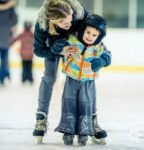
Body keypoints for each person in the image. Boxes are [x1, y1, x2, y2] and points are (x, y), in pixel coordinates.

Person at [33, 0, 109, 144]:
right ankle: (41, 118)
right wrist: (57, 50)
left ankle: (92, 120)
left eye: (70, 20)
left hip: (75, 47)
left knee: (87, 80)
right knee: (49, 77)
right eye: (64, 23)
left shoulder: (79, 13)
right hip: (53, 49)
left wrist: (101, 57)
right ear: (53, 21)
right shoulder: (42, 25)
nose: (69, 24)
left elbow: (94, 32)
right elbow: (38, 50)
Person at [55, 14, 111, 146]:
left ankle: (84, 131)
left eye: (94, 35)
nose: (90, 37)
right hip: (71, 79)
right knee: (69, 104)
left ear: (99, 37)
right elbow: (61, 48)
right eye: (88, 32)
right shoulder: (73, 40)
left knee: (85, 105)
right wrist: (61, 47)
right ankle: (67, 131)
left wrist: (101, 61)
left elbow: (107, 55)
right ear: (82, 30)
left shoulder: (98, 47)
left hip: (88, 82)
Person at [0, 0, 17, 85]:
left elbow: (14, 20)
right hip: (5, 36)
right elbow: (14, 20)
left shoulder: (10, 6)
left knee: (4, 58)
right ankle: (3, 76)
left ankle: (4, 76)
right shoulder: (10, 6)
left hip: (4, 36)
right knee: (4, 58)